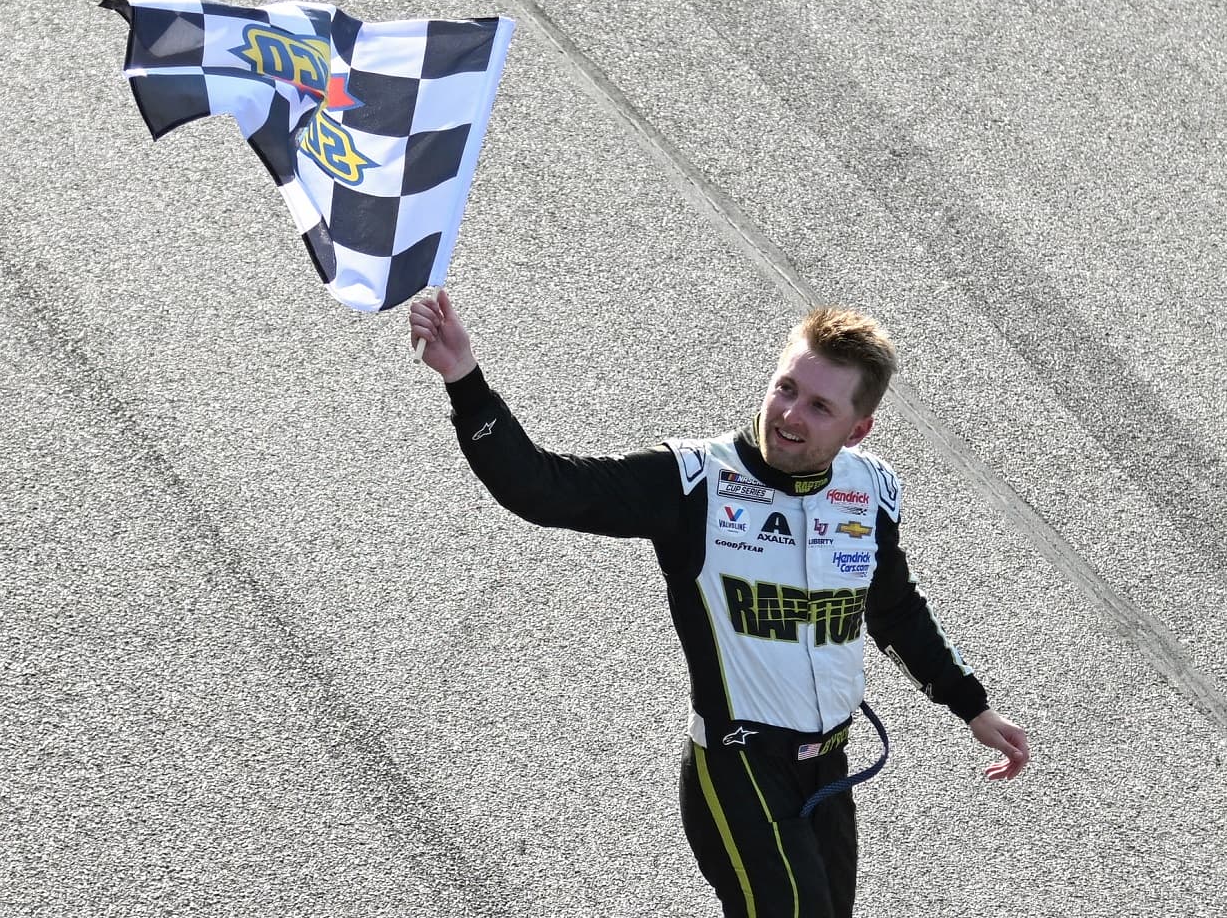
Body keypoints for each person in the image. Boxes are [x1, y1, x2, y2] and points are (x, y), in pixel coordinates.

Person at [408, 289, 1030, 918]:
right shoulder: (694, 482)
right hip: (737, 767)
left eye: (819, 406)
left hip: (829, 768)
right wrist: (464, 380)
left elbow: (893, 610)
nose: (790, 414)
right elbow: (542, 489)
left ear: (857, 428)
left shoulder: (871, 489)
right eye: (786, 388)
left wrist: (970, 706)